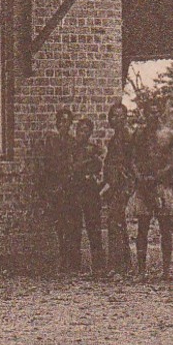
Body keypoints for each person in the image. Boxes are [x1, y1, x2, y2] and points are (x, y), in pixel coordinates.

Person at [132, 101, 173, 281]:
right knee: (142, 228)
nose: (153, 116)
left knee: (166, 228)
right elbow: (134, 159)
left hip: (162, 186)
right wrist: (140, 178)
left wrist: (159, 176)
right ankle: (141, 271)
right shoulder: (139, 134)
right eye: (149, 113)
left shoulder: (170, 135)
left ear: (159, 113)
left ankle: (167, 271)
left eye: (155, 112)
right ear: (144, 114)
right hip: (144, 185)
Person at [37, 109, 78, 273]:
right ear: (57, 123)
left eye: (67, 121)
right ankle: (62, 258)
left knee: (71, 224)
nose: (64, 124)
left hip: (70, 188)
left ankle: (71, 260)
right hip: (55, 187)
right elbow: (47, 166)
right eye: (61, 121)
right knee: (59, 224)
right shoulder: (51, 142)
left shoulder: (73, 142)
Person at [99, 102, 135, 280]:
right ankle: (124, 264)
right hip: (114, 186)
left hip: (122, 186)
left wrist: (124, 186)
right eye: (114, 116)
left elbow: (128, 165)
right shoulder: (115, 140)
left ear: (125, 118)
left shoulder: (128, 139)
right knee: (116, 224)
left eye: (121, 116)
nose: (117, 119)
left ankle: (119, 267)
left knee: (115, 223)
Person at [71, 117, 107, 278]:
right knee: (74, 228)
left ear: (90, 132)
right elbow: (73, 167)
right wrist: (87, 161)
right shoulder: (72, 148)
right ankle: (74, 265)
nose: (82, 133)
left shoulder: (94, 149)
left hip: (90, 191)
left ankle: (98, 266)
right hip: (76, 189)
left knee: (94, 228)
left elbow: (100, 167)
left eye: (86, 130)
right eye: (80, 130)